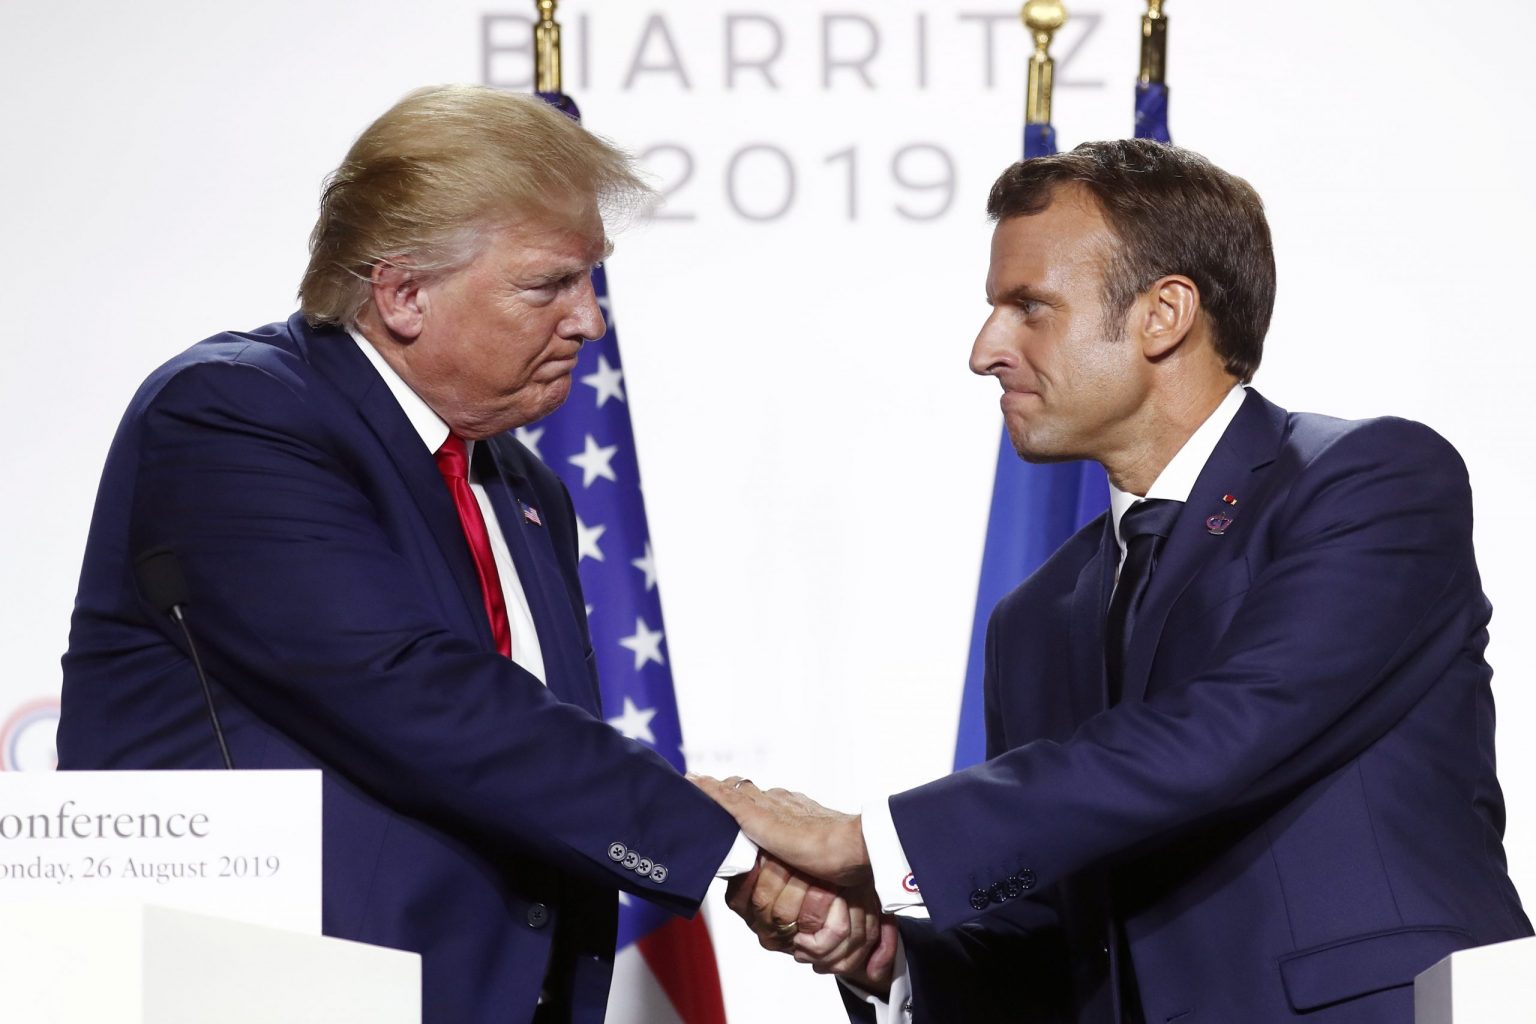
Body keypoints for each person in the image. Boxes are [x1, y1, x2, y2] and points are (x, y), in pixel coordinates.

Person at [695, 139, 1532, 1023]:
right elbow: (1055, 941)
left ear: (1164, 314)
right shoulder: (1035, 616)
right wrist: (887, 956)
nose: (985, 350)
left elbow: (1226, 730)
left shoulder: (1371, 481)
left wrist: (863, 840)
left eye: (1029, 307)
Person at [58, 85, 744, 1024]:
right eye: (549, 285)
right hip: (277, 994)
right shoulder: (233, 416)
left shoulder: (523, 488)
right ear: (404, 293)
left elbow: (535, 755)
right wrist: (733, 846)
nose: (590, 320)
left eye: (592, 279)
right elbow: (412, 690)